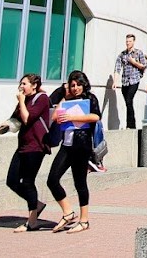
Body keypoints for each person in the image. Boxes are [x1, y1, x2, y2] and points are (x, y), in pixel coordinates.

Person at [46, 70, 101, 234]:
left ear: (84, 84)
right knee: (52, 179)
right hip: (67, 145)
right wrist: (64, 97)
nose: (75, 88)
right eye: (72, 85)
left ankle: (84, 220)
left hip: (82, 145)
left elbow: (96, 117)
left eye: (78, 85)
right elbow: (54, 117)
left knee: (80, 182)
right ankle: (68, 212)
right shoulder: (68, 100)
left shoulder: (90, 98)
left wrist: (72, 117)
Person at [8, 73, 53, 231]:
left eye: (24, 84)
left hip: (36, 146)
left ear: (34, 86)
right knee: (12, 180)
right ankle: (37, 204)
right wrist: (5, 125)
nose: (21, 87)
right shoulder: (25, 100)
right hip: (23, 145)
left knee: (28, 182)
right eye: (20, 84)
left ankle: (32, 221)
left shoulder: (41, 99)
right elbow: (17, 119)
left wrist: (21, 101)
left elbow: (27, 118)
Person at [113, 33, 147, 129]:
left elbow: (144, 66)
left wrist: (134, 62)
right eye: (127, 41)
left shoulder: (138, 53)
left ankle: (130, 125)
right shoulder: (122, 54)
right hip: (125, 82)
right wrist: (115, 82)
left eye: (130, 41)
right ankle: (132, 124)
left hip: (134, 81)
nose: (128, 43)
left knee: (129, 100)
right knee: (128, 103)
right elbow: (117, 68)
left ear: (133, 42)